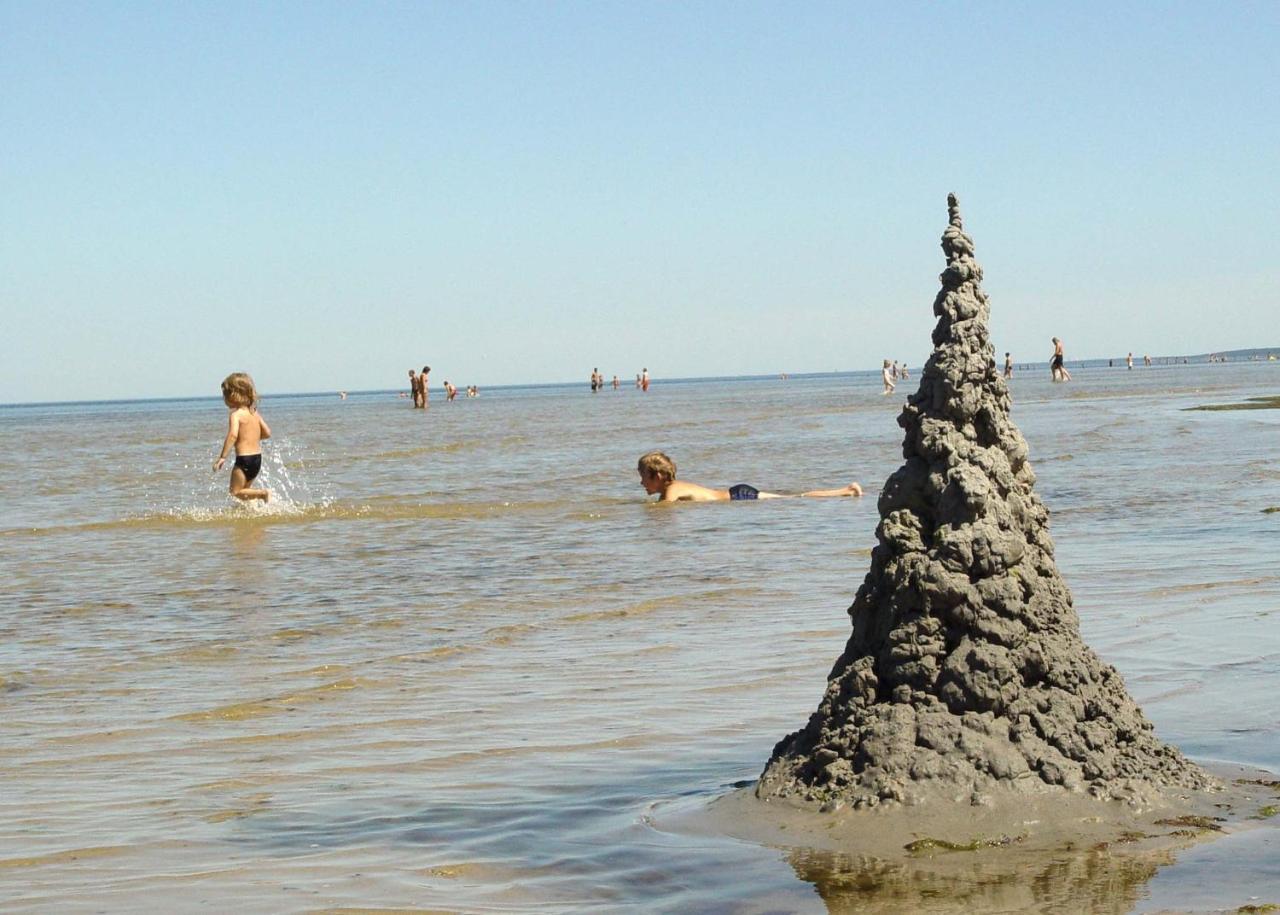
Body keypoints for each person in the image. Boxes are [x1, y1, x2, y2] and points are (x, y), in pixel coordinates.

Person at [637, 451, 862, 503]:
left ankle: (846, 490)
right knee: (792, 497)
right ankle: (845, 490)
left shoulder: (671, 490)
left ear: (657, 476)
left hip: (739, 496)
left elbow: (664, 508)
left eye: (643, 477)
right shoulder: (674, 487)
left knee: (795, 498)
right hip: (737, 493)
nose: (641, 483)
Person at [213, 372, 271, 503]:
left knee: (235, 492)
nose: (224, 399)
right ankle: (251, 513)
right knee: (245, 491)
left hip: (244, 460)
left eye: (225, 395)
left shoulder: (236, 415)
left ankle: (263, 494)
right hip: (257, 459)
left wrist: (222, 457)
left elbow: (232, 435)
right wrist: (251, 438)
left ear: (234, 395)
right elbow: (267, 433)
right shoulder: (254, 413)